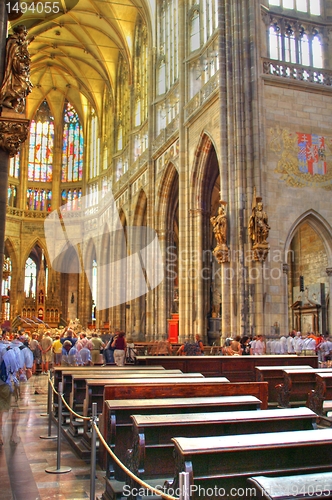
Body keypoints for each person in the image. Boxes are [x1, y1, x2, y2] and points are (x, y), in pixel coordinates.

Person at [0, 25, 33, 112]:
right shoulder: (14, 42)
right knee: (22, 86)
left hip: (18, 71)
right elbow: (14, 58)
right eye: (24, 33)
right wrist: (22, 63)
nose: (25, 35)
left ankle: (12, 103)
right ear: (19, 33)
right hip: (15, 71)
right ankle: (7, 100)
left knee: (26, 87)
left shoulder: (18, 43)